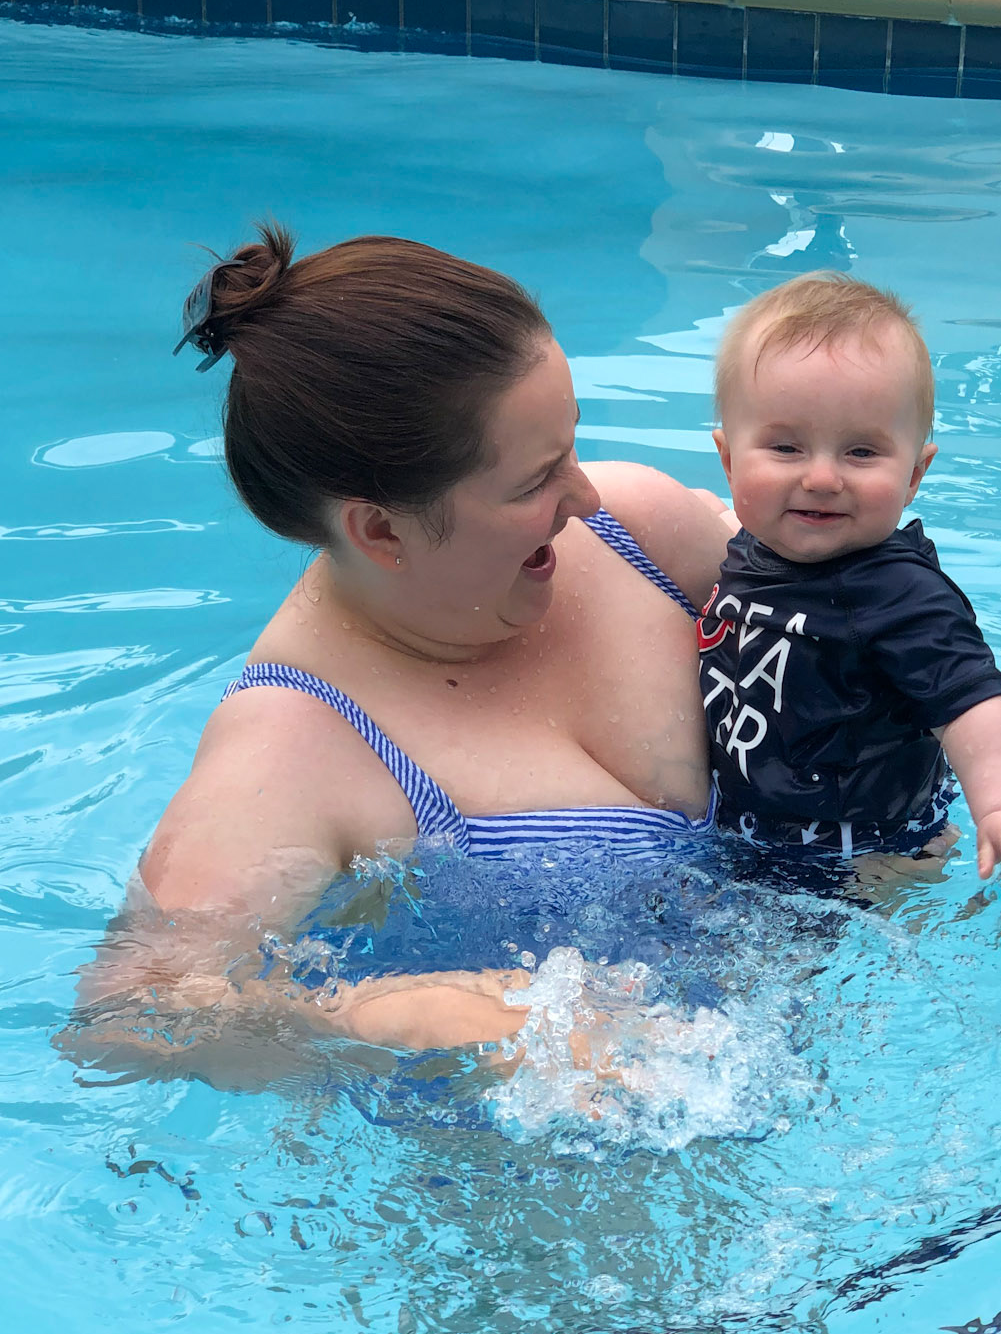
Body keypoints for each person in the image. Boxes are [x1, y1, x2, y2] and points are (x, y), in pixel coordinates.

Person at [75, 225, 737, 1064]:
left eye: (570, 442)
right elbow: (125, 1022)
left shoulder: (639, 536)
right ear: (380, 530)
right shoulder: (294, 753)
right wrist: (383, 1016)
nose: (583, 496)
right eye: (534, 482)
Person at [697, 272, 1001, 905]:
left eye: (861, 453)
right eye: (786, 447)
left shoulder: (902, 597)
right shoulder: (752, 550)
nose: (822, 477)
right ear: (729, 460)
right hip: (749, 834)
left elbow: (973, 705)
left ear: (915, 474)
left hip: (871, 853)